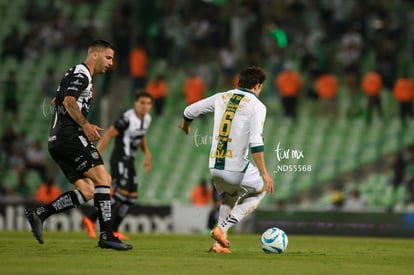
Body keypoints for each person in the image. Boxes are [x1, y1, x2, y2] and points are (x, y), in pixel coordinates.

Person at [25, 40, 132, 250]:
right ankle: (107, 235)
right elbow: (67, 102)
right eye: (108, 57)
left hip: (56, 142)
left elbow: (57, 101)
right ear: (94, 55)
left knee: (88, 190)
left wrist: (80, 102)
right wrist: (85, 124)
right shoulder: (81, 73)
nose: (111, 62)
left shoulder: (74, 75)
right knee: (104, 179)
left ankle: (40, 214)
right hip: (70, 138)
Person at [179, 66, 274, 254]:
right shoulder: (257, 106)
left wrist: (186, 126)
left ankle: (220, 244)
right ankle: (222, 228)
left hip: (214, 167)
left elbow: (189, 111)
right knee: (260, 190)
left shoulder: (221, 97)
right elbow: (256, 141)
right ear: (257, 86)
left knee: (230, 196)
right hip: (236, 168)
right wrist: (265, 174)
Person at [82, 91, 153, 240]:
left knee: (131, 198)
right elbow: (108, 134)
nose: (145, 106)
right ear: (135, 103)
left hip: (130, 161)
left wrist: (147, 153)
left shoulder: (147, 119)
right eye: (142, 103)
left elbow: (141, 135)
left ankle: (114, 230)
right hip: (120, 159)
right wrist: (96, 155)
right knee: (120, 194)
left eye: (148, 103)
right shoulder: (127, 119)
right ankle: (91, 218)